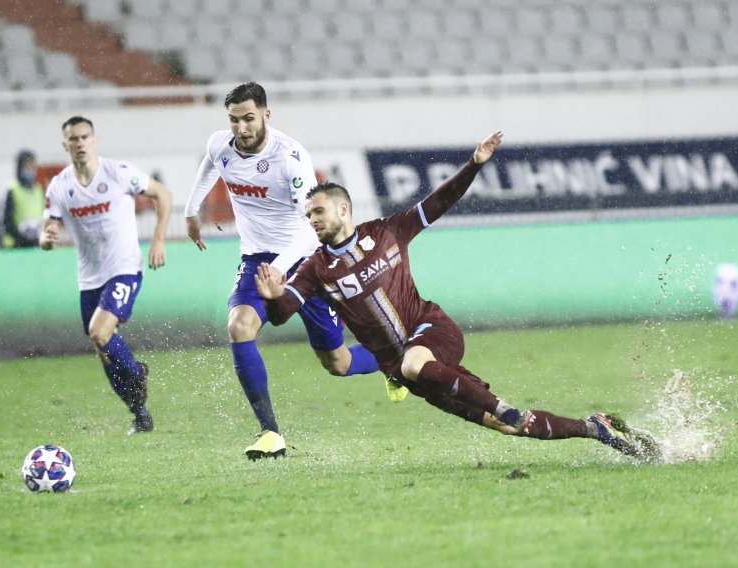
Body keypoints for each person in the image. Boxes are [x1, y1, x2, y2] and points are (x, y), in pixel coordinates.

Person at [255, 131, 660, 462]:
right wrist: (273, 297)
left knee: (419, 364)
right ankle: (596, 428)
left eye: (318, 212)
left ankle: (504, 407)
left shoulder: (386, 231)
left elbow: (439, 202)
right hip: (408, 371)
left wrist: (474, 165)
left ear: (343, 209)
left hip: (432, 332)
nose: (312, 221)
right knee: (514, 427)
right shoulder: (314, 269)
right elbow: (280, 314)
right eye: (308, 216)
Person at [184, 82, 401, 461]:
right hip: (257, 259)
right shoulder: (221, 144)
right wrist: (191, 209)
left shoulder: (291, 157)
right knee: (239, 325)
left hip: (306, 261)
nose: (241, 128)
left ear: (266, 114)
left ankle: (389, 360)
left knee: (338, 363)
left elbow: (310, 225)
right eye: (234, 120)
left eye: (249, 118)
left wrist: (280, 271)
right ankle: (270, 433)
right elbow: (209, 165)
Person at [39, 116, 172, 435]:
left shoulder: (118, 173)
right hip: (89, 277)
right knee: (103, 351)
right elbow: (47, 230)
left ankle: (137, 372)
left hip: (124, 267)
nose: (81, 143)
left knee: (100, 332)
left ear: (94, 140)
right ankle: (139, 413)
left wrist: (157, 239)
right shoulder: (60, 186)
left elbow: (163, 195)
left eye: (85, 137)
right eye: (74, 139)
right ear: (65, 145)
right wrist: (47, 239)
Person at [2, 149, 45, 248]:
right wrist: (22, 239)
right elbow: (6, 222)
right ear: (20, 167)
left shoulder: (38, 190)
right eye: (27, 166)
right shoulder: (12, 189)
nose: (30, 170)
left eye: (32, 166)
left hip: (35, 244)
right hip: (16, 246)